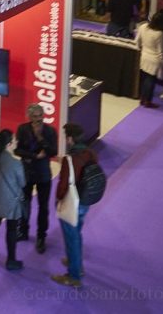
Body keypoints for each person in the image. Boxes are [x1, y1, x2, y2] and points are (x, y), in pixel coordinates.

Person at [53, 123, 98, 288]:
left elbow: (63, 184)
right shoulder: (91, 153)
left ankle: (74, 276)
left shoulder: (69, 159)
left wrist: (58, 200)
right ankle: (76, 262)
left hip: (73, 202)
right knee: (77, 233)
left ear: (70, 139)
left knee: (71, 238)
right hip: (86, 201)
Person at [15, 104, 57, 253]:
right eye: (35, 116)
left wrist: (40, 138)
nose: (38, 119)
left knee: (43, 207)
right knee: (24, 203)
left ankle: (41, 237)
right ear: (29, 117)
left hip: (43, 174)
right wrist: (34, 156)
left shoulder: (50, 131)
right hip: (26, 174)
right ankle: (23, 230)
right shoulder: (22, 129)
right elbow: (17, 150)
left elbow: (53, 151)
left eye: (40, 116)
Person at [0, 129, 26, 271]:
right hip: (11, 201)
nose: (16, 142)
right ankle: (11, 260)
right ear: (8, 145)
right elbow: (23, 183)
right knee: (11, 229)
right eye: (14, 140)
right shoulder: (16, 163)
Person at [135, 9, 163, 107]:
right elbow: (161, 52)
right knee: (150, 81)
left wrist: (141, 49)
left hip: (144, 57)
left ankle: (142, 99)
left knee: (144, 79)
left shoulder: (143, 27)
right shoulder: (159, 34)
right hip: (154, 60)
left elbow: (137, 41)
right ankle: (147, 101)